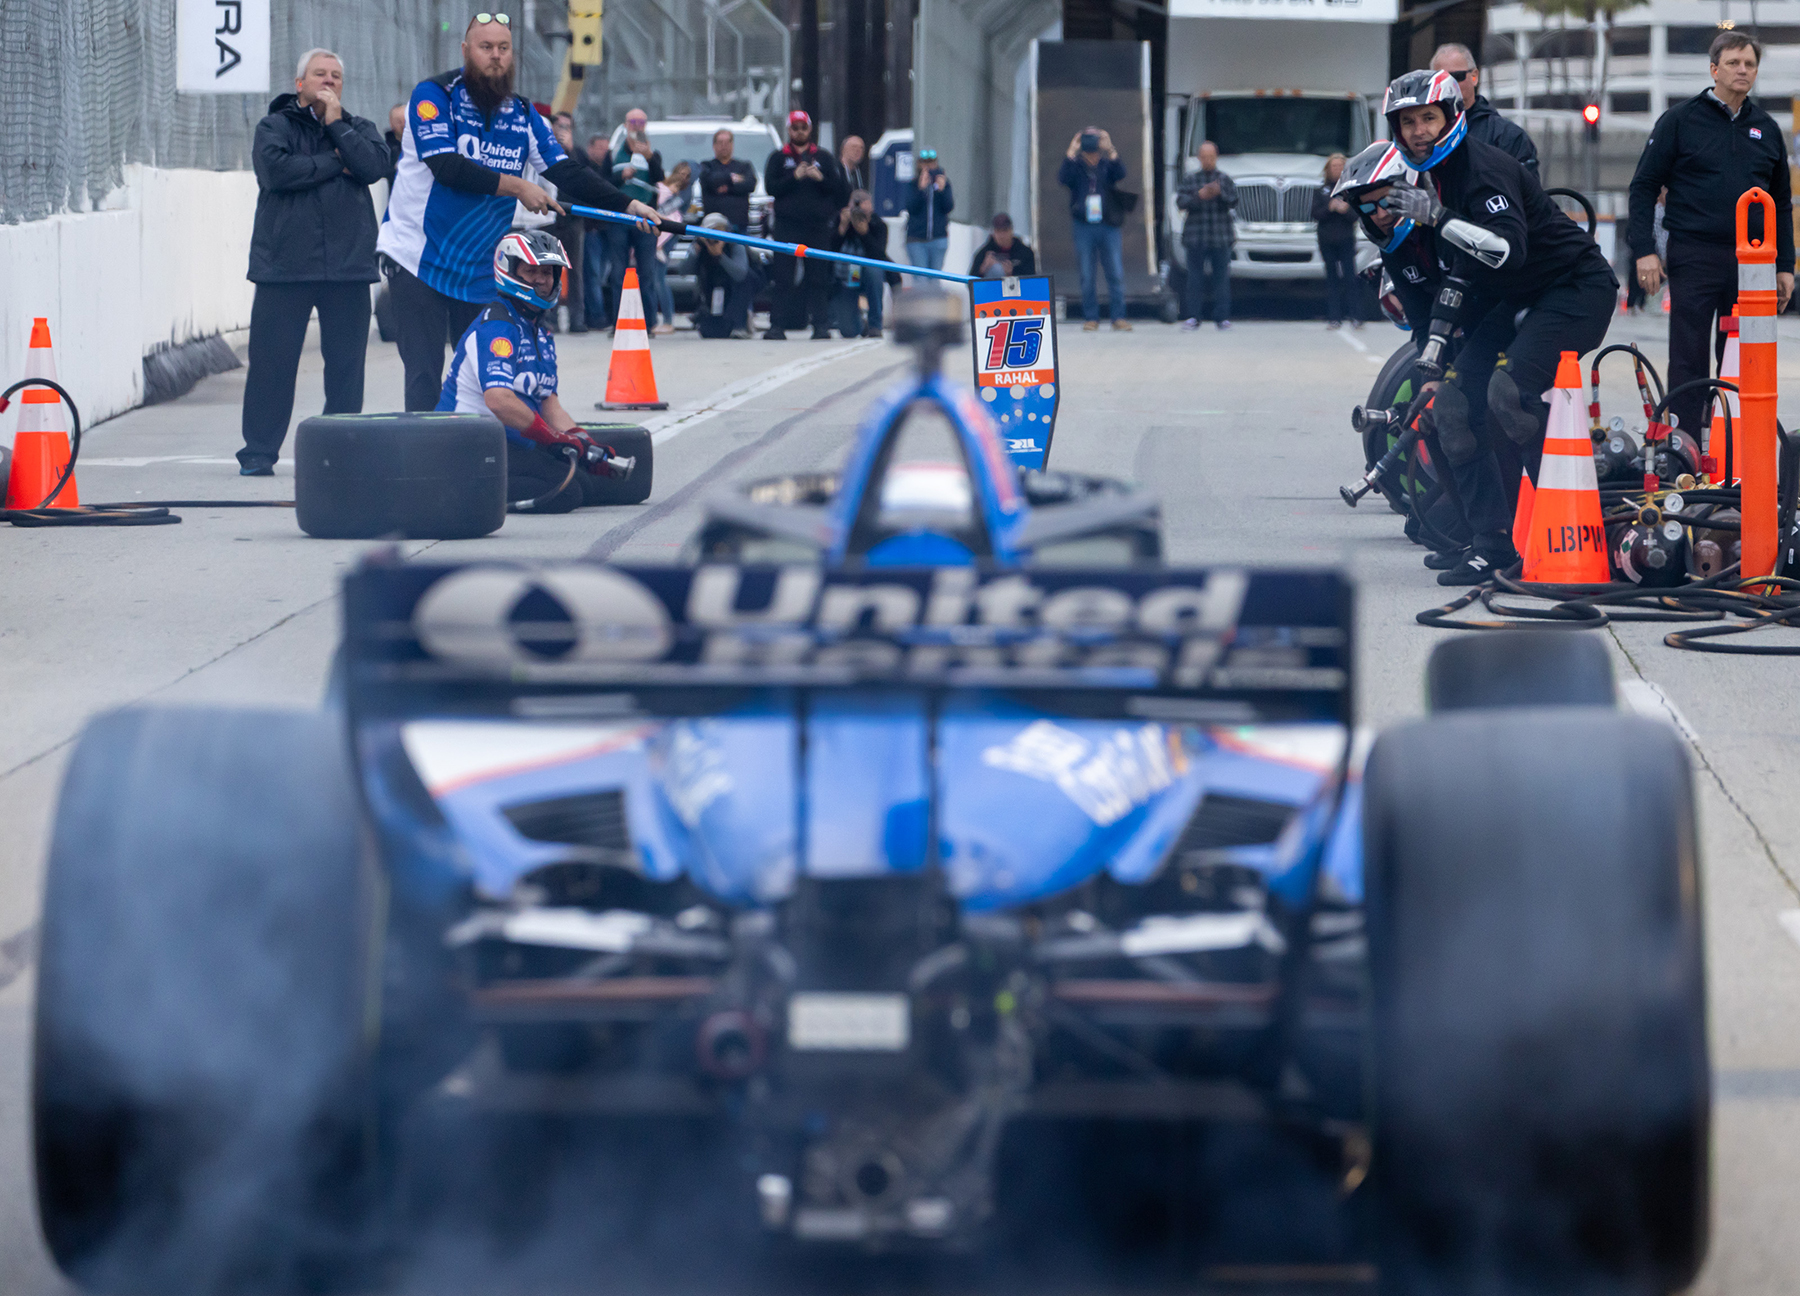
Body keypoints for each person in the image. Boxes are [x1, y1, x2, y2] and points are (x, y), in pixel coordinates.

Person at [1371, 68, 1618, 585]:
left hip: (1576, 288)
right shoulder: (1432, 178)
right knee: (1455, 407)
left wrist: (1437, 217)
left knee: (1509, 394)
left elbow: (1507, 253)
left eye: (1428, 118)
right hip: (1517, 297)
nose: (1418, 130)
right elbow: (1462, 273)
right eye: (1408, 122)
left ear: (1452, 117)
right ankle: (1490, 545)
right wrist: (1436, 354)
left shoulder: (1480, 169)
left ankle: (1569, 520)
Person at [378, 15, 656, 411]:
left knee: (486, 372)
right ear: (466, 51)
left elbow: (564, 169)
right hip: (416, 257)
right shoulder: (434, 95)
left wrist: (627, 204)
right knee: (424, 372)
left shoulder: (523, 114)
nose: (495, 56)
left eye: (503, 49)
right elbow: (446, 166)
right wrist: (518, 186)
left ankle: (483, 465)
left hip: (477, 268)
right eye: (485, 47)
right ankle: (427, 467)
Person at [1629, 29, 1795, 437]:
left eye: (1750, 64)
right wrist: (1644, 251)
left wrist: (1785, 265)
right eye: (1734, 63)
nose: (1743, 70)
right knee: (1688, 353)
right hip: (1695, 253)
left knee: (1742, 353)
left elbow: (1782, 205)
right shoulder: (1680, 121)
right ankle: (1685, 439)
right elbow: (1643, 187)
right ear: (1714, 69)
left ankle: (1733, 436)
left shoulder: (1767, 129)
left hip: (1753, 263)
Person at [237, 49, 390, 477]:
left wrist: (336, 126)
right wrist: (335, 163)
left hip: (348, 268)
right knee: (272, 365)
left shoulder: (358, 128)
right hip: (284, 267)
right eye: (319, 74)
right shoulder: (274, 126)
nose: (328, 81)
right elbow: (277, 173)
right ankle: (258, 452)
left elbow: (373, 166)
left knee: (345, 368)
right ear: (299, 82)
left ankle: (340, 450)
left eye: (336, 75)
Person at [438, 230, 634, 511]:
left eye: (547, 272)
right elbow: (499, 400)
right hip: (468, 445)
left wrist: (586, 443)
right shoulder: (498, 327)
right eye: (531, 271)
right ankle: (465, 492)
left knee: (587, 484)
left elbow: (549, 403)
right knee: (566, 493)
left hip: (509, 442)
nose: (541, 280)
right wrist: (550, 438)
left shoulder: (539, 331)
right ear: (509, 271)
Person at [764, 109, 848, 339]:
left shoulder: (824, 157)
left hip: (817, 227)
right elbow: (772, 188)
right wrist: (795, 177)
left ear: (809, 130)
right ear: (789, 130)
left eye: (803, 127)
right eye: (795, 128)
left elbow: (838, 191)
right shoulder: (778, 157)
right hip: (787, 226)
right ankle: (777, 325)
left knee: (818, 276)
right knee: (783, 277)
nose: (799, 132)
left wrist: (821, 180)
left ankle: (820, 325)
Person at [1057, 126, 1132, 331]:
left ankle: (1118, 317)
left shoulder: (1107, 165)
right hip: (1083, 225)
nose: (1091, 145)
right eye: (1087, 140)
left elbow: (1122, 173)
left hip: (1107, 224)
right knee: (1087, 273)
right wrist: (1071, 151)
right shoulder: (1076, 166)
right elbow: (1063, 178)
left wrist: (1110, 148)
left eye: (1094, 139)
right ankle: (1091, 317)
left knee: (1115, 271)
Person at [1428, 43, 1539, 173]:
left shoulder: (1509, 136)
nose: (1450, 85)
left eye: (1457, 76)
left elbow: (1526, 190)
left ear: (1474, 77)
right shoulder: (1420, 133)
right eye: (1442, 79)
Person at [606, 107, 665, 331]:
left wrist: (650, 158)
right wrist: (621, 176)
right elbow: (602, 182)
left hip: (646, 220)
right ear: (626, 125)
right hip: (620, 219)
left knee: (647, 274)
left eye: (641, 122)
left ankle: (648, 323)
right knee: (618, 274)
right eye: (633, 122)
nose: (637, 126)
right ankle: (618, 323)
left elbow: (661, 179)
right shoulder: (613, 154)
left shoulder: (653, 154)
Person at [1177, 140, 1236, 331]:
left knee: (1222, 279)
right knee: (1194, 278)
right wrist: (1199, 196)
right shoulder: (1190, 179)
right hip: (1196, 236)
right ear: (1199, 158)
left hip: (1220, 236)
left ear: (1216, 157)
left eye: (1211, 157)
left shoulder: (1224, 179)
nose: (1208, 160)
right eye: (1204, 157)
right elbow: (1181, 202)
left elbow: (1234, 201)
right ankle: (1193, 316)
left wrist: (1220, 193)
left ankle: (1222, 317)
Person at [677, 213, 761, 338]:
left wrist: (720, 256)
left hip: (736, 287)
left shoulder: (735, 244)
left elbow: (740, 275)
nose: (715, 238)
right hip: (712, 287)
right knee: (711, 331)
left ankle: (741, 323)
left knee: (746, 279)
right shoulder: (700, 245)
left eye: (719, 232)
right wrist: (696, 250)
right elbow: (683, 271)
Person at [829, 190, 900, 337]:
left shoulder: (878, 225)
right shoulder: (841, 221)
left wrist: (865, 233)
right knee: (848, 332)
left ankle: (875, 325)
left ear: (870, 206)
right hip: (849, 273)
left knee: (873, 271)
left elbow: (879, 255)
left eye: (861, 203)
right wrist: (842, 227)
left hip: (869, 272)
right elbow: (830, 250)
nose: (858, 209)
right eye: (854, 203)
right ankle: (861, 325)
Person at [544, 112, 588, 332]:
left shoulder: (577, 152)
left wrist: (569, 151)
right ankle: (549, 318)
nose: (562, 131)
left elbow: (584, 177)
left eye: (566, 127)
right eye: (558, 126)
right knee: (550, 268)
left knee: (575, 270)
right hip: (550, 217)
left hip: (573, 219)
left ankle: (577, 319)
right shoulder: (544, 151)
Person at [1314, 152, 1359, 329]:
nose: (1337, 170)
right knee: (1331, 278)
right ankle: (1334, 316)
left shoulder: (1351, 191)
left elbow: (1356, 215)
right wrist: (1330, 207)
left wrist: (1345, 210)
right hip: (1327, 239)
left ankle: (1356, 315)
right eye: (1334, 166)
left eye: (1341, 166)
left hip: (1346, 238)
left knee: (1350, 277)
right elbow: (1315, 213)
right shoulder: (1321, 190)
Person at [650, 160, 692, 335]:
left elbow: (669, 211)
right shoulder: (660, 185)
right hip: (656, 231)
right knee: (653, 279)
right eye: (680, 172)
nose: (682, 177)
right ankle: (655, 319)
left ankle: (668, 320)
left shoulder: (682, 194)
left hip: (666, 234)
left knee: (659, 278)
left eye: (687, 175)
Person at [581, 134, 619, 328]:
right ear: (590, 149)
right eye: (600, 148)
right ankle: (596, 315)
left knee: (604, 273)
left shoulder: (609, 170)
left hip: (608, 228)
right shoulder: (586, 169)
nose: (604, 152)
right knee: (593, 274)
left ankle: (603, 312)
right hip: (592, 228)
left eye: (607, 149)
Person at [700, 127, 757, 232]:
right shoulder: (706, 166)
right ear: (714, 146)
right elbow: (711, 181)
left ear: (732, 145)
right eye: (720, 142)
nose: (724, 146)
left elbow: (750, 184)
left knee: (740, 249)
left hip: (739, 225)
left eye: (727, 142)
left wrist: (728, 188)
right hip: (714, 225)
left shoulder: (744, 166)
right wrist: (732, 178)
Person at [905, 148, 954, 270]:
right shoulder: (913, 184)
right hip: (916, 240)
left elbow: (948, 207)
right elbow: (911, 207)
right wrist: (921, 189)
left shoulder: (944, 183)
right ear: (919, 165)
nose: (928, 166)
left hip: (938, 239)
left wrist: (941, 191)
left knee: (934, 281)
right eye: (924, 163)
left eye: (931, 163)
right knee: (921, 280)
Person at [968, 212, 1036, 279]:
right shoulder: (984, 253)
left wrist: (1011, 274)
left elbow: (1031, 282)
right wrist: (983, 268)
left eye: (1005, 230)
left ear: (1011, 230)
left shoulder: (1025, 253)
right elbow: (970, 282)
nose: (1002, 235)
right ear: (993, 233)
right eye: (998, 231)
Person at [384, 103, 407, 180]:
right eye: (398, 121)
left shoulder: (422, 146)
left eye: (405, 120)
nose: (403, 125)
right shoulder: (385, 150)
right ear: (391, 123)